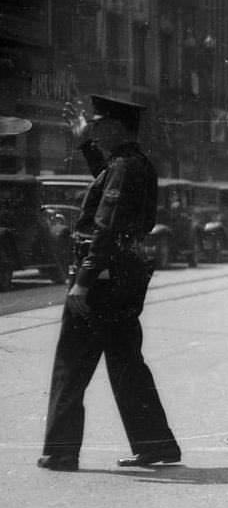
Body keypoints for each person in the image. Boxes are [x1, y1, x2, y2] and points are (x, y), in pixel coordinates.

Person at [38, 95, 181, 471]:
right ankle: (156, 445)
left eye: (100, 124)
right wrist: (85, 142)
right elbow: (108, 183)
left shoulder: (124, 166)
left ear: (117, 127)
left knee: (71, 363)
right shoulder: (132, 164)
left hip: (102, 280)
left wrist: (82, 281)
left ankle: (61, 451)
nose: (96, 129)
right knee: (125, 361)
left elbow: (106, 225)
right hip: (123, 277)